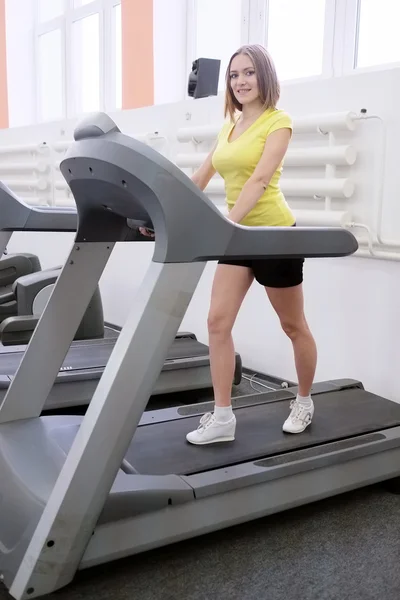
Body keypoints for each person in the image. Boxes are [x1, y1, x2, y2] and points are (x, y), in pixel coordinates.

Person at [142, 44, 318, 445]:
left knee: (293, 326)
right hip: (236, 235)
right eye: (235, 75)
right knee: (217, 322)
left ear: (265, 77)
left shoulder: (279, 122)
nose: (240, 81)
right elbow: (200, 178)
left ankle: (305, 400)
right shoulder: (229, 127)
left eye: (249, 72)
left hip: (274, 235)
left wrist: (226, 223)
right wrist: (163, 210)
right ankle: (222, 417)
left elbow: (258, 180)